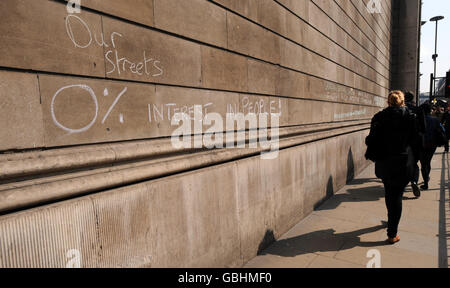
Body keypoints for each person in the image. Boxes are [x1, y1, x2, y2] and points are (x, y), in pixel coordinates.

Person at [365, 91, 417, 244]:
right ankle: (392, 232)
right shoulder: (410, 117)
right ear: (403, 102)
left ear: (388, 102)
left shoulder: (379, 117)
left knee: (389, 192)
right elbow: (415, 141)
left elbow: (370, 140)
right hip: (403, 162)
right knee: (397, 195)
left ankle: (391, 223)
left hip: (385, 161)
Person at [420, 103, 446, 190]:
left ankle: (426, 181)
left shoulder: (418, 119)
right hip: (432, 144)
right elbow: (443, 130)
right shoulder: (435, 120)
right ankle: (426, 179)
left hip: (422, 144)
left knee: (423, 163)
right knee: (428, 161)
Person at [404, 91, 424, 198]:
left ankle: (402, 183)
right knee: (414, 163)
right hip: (415, 142)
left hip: (401, 142)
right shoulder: (418, 110)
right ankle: (414, 181)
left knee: (402, 163)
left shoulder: (400, 110)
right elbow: (423, 128)